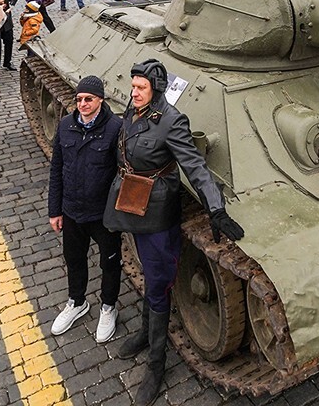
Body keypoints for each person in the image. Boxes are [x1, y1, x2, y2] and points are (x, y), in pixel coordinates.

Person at [104, 59, 244, 406]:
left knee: (158, 280)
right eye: (133, 86)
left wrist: (215, 207)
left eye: (140, 88)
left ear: (156, 90)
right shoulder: (134, 111)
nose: (133, 92)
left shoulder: (171, 122)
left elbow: (195, 166)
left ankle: (156, 364)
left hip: (156, 213)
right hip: (132, 203)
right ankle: (144, 333)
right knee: (151, 279)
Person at [47, 75, 123, 342]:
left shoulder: (115, 128)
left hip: (103, 214)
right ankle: (77, 301)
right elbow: (56, 168)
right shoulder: (67, 125)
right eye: (78, 99)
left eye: (88, 99)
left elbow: (122, 174)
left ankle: (108, 306)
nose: (82, 104)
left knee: (109, 262)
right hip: (72, 210)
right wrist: (54, 210)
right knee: (74, 258)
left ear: (100, 100)